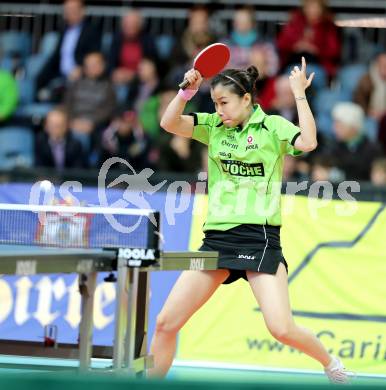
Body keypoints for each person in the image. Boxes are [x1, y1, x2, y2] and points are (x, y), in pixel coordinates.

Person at [149, 57, 351, 384]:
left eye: (224, 103)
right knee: (165, 323)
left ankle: (331, 363)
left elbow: (309, 142)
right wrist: (186, 94)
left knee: (281, 328)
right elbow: (170, 124)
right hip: (216, 239)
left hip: (259, 238)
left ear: (246, 99)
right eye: (214, 103)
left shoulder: (272, 127)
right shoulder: (214, 126)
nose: (219, 110)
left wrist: (299, 93)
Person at [36, 0, 101, 100]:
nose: (68, 13)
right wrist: (41, 77)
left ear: (82, 11)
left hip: (80, 75)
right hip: (60, 74)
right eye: (67, 10)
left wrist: (82, 69)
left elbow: (94, 56)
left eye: (72, 9)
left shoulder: (91, 30)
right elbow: (56, 56)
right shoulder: (63, 30)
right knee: (38, 79)